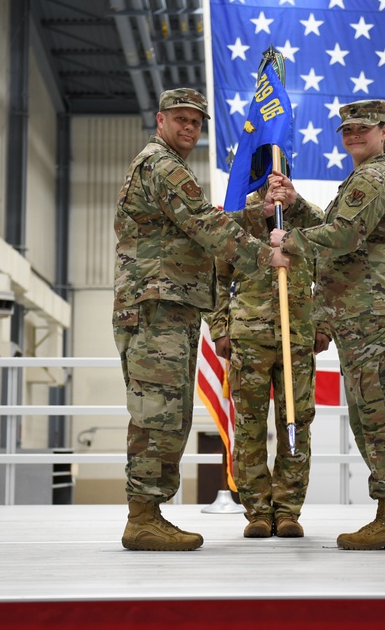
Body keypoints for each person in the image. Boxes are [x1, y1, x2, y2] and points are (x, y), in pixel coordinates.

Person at [113, 88, 290, 551]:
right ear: (160, 120)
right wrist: (262, 256)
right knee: (158, 413)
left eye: (196, 121)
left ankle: (148, 513)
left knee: (168, 412)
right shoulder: (162, 166)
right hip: (157, 306)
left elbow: (205, 222)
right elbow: (207, 225)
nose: (189, 128)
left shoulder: (166, 165)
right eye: (181, 119)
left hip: (169, 305)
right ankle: (143, 518)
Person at [269, 99, 385, 550]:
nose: (354, 134)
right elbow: (342, 228)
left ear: (383, 130)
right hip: (362, 312)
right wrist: (297, 207)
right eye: (347, 129)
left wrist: (289, 242)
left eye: (363, 128)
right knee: (369, 413)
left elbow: (345, 236)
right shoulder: (363, 178)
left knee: (380, 415)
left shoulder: (372, 177)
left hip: (373, 311)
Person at [208, 177, 324, 539]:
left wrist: (325, 325)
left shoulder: (308, 217)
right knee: (250, 427)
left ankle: (288, 510)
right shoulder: (238, 221)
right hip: (249, 336)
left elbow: (333, 272)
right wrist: (219, 327)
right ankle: (257, 511)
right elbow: (216, 278)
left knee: (296, 422)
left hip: (298, 335)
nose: (273, 178)